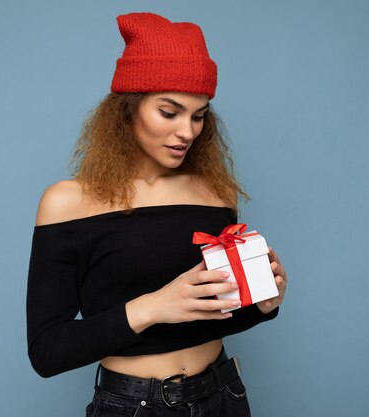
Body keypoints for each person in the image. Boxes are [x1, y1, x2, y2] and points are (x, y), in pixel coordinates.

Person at [26, 12, 288, 417]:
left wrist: (263, 303)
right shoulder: (66, 202)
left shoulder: (211, 192)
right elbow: (46, 351)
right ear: (127, 110)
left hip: (224, 396)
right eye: (170, 112)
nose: (188, 131)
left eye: (199, 116)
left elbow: (211, 316)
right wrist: (152, 307)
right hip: (133, 406)